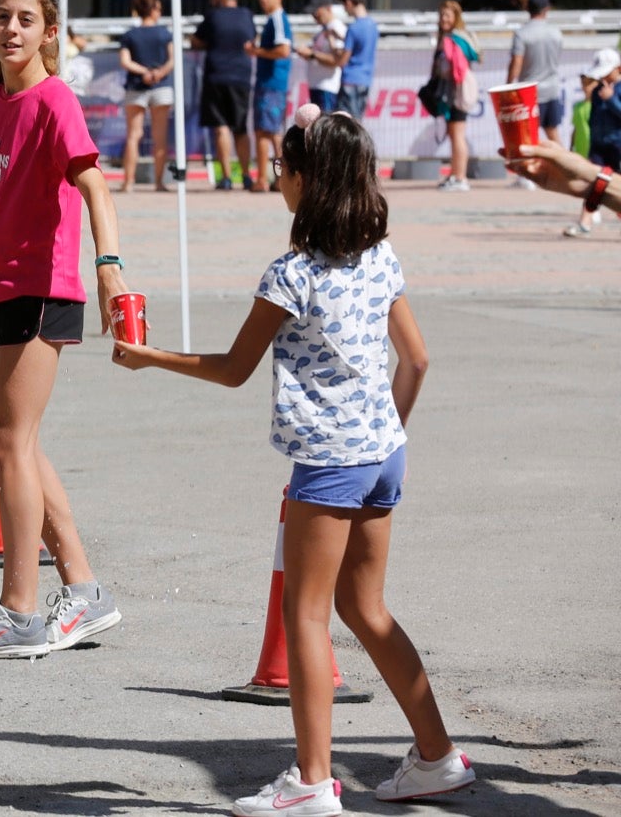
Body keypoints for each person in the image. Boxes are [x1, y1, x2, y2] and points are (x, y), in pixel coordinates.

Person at [112, 106, 476, 816]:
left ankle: (312, 781)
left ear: (309, 181)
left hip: (332, 462)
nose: (278, 178)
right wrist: (381, 433)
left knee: (306, 614)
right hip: (382, 456)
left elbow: (232, 368)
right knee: (365, 608)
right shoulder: (381, 254)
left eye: (284, 168)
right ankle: (437, 755)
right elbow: (418, 358)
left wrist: (149, 357)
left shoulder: (293, 273)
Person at [0, 0, 126, 660]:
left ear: (48, 30)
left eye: (25, 19)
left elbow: (95, 186)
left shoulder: (54, 100)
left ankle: (20, 610)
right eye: (2, 17)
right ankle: (85, 591)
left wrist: (110, 267)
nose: (11, 29)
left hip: (47, 285)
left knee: (11, 443)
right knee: (17, 442)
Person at [192, 0, 256, 190]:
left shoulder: (213, 15)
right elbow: (252, 38)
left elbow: (196, 40)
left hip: (216, 75)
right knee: (240, 128)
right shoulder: (247, 14)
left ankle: (227, 177)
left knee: (220, 128)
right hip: (241, 76)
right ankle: (246, 175)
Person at [554, 48, 621, 236]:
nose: (603, 77)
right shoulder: (598, 90)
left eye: (607, 71)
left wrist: (611, 100)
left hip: (617, 146)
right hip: (600, 146)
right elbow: (593, 118)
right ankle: (585, 222)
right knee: (595, 184)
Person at [117, 0, 175, 193]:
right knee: (160, 137)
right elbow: (172, 60)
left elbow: (125, 61)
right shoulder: (164, 33)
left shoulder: (129, 35)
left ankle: (128, 181)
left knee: (133, 136)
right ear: (152, 10)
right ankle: (159, 182)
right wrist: (158, 73)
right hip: (162, 86)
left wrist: (144, 72)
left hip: (136, 87)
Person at [242, 0, 292, 192]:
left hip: (272, 82)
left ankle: (265, 178)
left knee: (266, 132)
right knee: (270, 132)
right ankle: (276, 178)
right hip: (271, 82)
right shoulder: (274, 19)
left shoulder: (278, 19)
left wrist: (257, 52)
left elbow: (283, 51)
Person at [432, 0, 480, 192]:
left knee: (458, 134)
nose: (444, 19)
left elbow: (456, 69)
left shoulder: (452, 40)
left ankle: (460, 177)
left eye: (447, 15)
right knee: (453, 134)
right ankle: (455, 173)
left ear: (455, 18)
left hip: (457, 91)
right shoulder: (455, 38)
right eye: (442, 15)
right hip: (457, 90)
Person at [506, 0, 564, 148]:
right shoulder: (555, 32)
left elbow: (517, 62)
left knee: (528, 136)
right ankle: (563, 169)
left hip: (529, 93)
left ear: (527, 8)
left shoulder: (522, 33)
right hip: (551, 89)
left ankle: (530, 171)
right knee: (553, 134)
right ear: (547, 9)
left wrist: (509, 85)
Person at [295, 0, 346, 116]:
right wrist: (308, 53)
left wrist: (312, 54)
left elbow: (337, 60)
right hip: (318, 86)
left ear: (328, 8)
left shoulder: (337, 28)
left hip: (327, 87)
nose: (314, 15)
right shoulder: (323, 29)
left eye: (317, 11)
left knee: (326, 127)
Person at [335, 0, 378, 121]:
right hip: (365, 79)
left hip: (350, 79)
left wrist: (334, 50)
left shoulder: (353, 28)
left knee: (346, 124)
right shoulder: (373, 25)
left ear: (348, 2)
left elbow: (343, 60)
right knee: (357, 123)